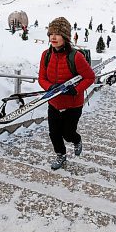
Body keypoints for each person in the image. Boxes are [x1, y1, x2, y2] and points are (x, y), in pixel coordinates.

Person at [38, 17, 95, 170]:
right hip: (54, 103)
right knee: (54, 133)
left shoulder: (76, 57)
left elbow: (90, 77)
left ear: (65, 37)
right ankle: (61, 155)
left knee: (68, 134)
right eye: (51, 34)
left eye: (57, 34)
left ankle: (77, 140)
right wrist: (50, 87)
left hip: (73, 104)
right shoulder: (46, 55)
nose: (53, 37)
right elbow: (41, 78)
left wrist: (75, 90)